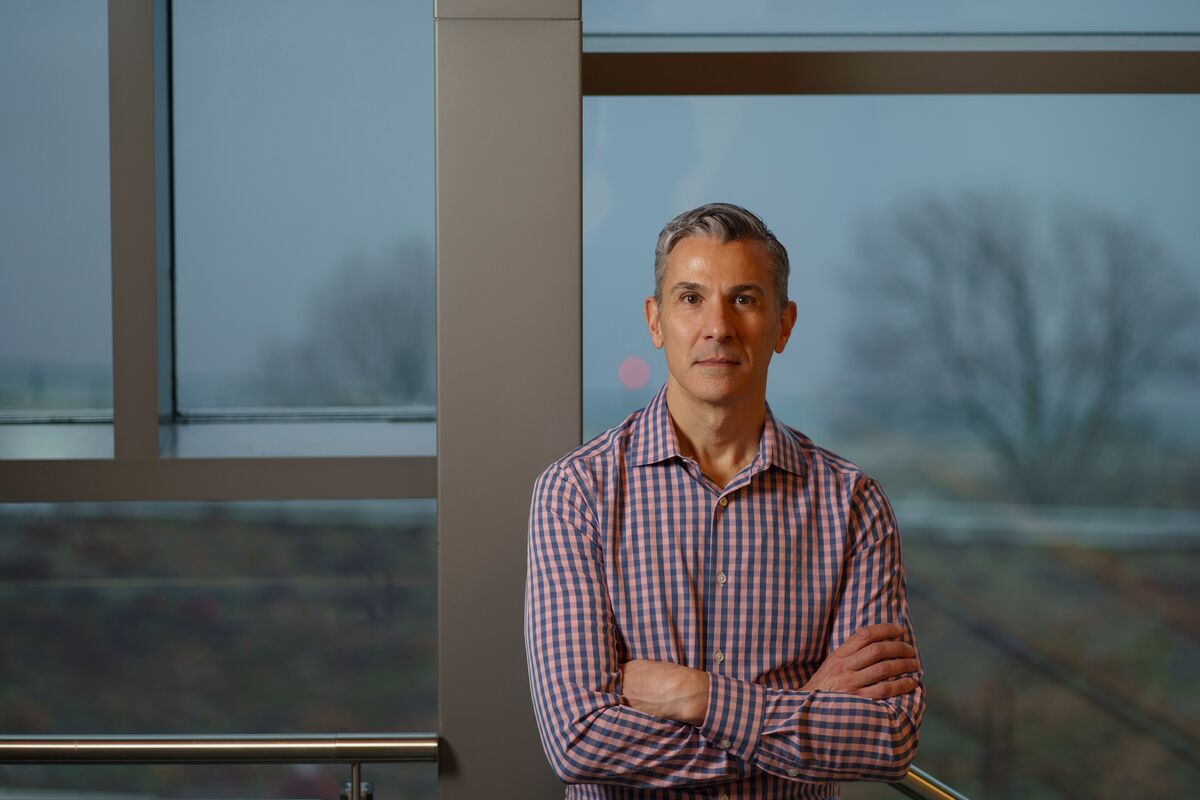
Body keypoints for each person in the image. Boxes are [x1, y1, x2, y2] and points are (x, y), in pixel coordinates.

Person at [525, 203, 924, 799]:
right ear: (654, 321)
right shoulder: (576, 493)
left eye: (744, 299)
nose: (717, 327)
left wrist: (697, 696)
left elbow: (888, 737)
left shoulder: (852, 506)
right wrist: (802, 710)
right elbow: (579, 740)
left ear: (783, 325)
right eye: (690, 299)